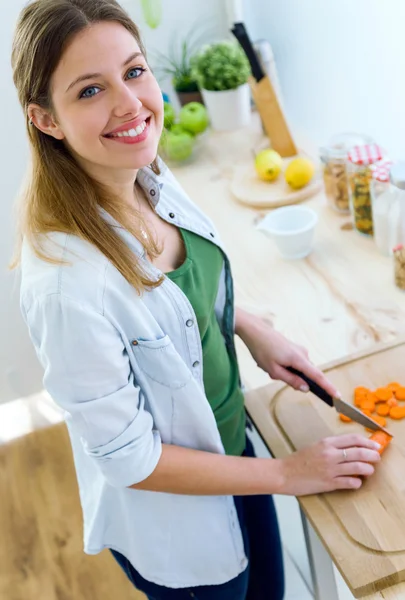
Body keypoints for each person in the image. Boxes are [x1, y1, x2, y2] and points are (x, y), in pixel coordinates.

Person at [11, 1, 381, 599]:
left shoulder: (142, 171)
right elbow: (130, 458)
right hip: (178, 518)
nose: (130, 105)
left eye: (134, 72)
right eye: (89, 91)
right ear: (45, 118)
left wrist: (249, 326)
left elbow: (178, 302)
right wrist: (289, 473)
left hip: (236, 446)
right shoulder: (65, 286)